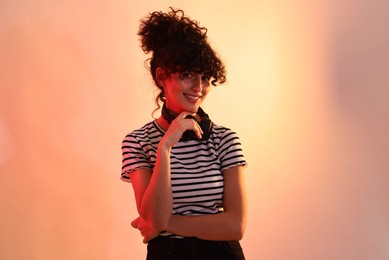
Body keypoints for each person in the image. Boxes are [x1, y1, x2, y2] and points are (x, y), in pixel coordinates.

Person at [121, 7, 247, 260]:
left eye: (206, 78)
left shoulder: (225, 140)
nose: (199, 88)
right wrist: (165, 147)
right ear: (161, 77)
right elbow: (152, 216)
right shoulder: (137, 141)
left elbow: (235, 226)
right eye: (188, 75)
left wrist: (165, 224)